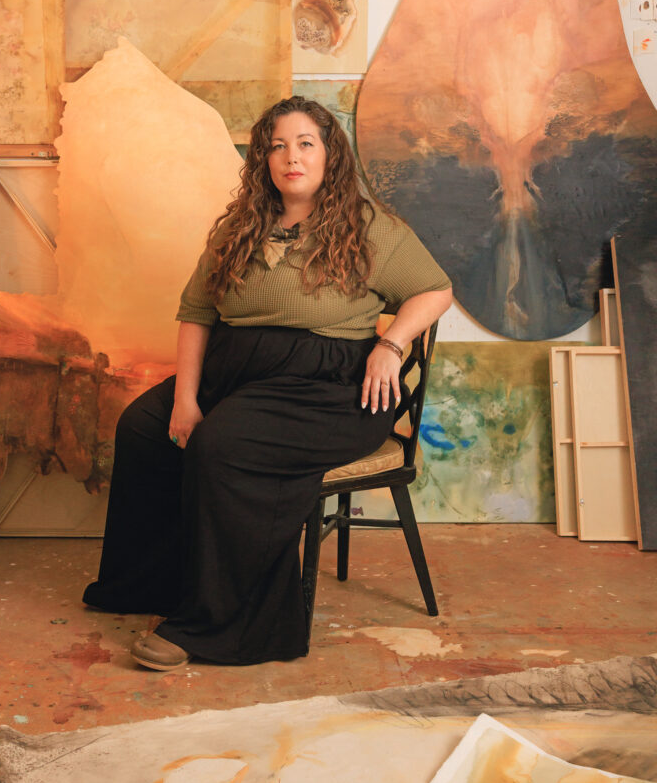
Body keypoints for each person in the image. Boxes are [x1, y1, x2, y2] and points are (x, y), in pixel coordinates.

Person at [82, 96, 452, 670]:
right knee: (144, 428)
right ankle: (155, 585)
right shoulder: (239, 227)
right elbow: (197, 312)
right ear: (263, 159)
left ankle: (218, 622)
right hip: (240, 374)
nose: (290, 157)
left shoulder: (370, 227)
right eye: (277, 146)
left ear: (331, 155)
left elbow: (434, 290)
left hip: (332, 388)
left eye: (306, 143)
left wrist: (391, 343)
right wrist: (184, 398)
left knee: (224, 445)